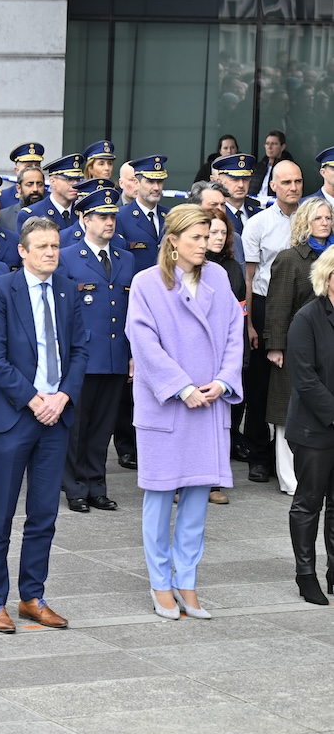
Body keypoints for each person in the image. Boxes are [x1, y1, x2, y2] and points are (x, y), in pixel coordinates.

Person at [126, 205, 243, 620]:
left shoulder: (218, 277)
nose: (206, 243)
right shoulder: (146, 283)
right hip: (169, 406)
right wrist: (182, 387)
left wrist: (225, 380)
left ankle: (187, 581)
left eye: (209, 234)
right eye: (196, 236)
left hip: (209, 404)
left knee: (196, 499)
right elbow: (142, 340)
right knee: (159, 497)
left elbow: (233, 332)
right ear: (173, 240)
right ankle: (161, 583)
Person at [0, 218, 87, 633]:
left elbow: (80, 349)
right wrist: (35, 399)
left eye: (55, 246)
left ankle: (32, 596)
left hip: (56, 416)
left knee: (43, 513)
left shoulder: (68, 289)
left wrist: (62, 397)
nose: (50, 253)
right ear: (22, 251)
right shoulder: (1, 289)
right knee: (0, 512)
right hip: (13, 416)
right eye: (41, 247)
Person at [55, 187, 135, 512]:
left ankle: (96, 484)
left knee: (103, 427)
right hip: (83, 356)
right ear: (85, 219)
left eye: (113, 215)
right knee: (77, 426)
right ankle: (74, 487)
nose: (109, 221)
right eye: (102, 216)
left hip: (116, 355)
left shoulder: (125, 257)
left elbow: (131, 311)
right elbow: (61, 313)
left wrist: (132, 355)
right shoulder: (68, 256)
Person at [263, 198, 332, 496]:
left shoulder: (332, 255)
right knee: (286, 412)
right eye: (319, 218)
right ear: (305, 221)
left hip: (326, 346)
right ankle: (290, 479)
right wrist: (275, 346)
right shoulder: (290, 258)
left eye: (328, 217)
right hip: (295, 345)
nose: (325, 222)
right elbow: (277, 306)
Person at [244, 159, 306, 484]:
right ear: (273, 186)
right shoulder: (259, 224)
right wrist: (251, 325)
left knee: (293, 384)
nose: (293, 187)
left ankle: (294, 457)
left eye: (297, 181)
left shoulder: (312, 219)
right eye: (286, 182)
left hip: (303, 306)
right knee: (259, 384)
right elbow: (250, 277)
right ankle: (258, 455)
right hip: (266, 305)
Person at [286, 249, 334, 604]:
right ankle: (306, 575)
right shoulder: (307, 318)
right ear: (328, 277)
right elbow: (304, 379)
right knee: (309, 503)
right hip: (314, 430)